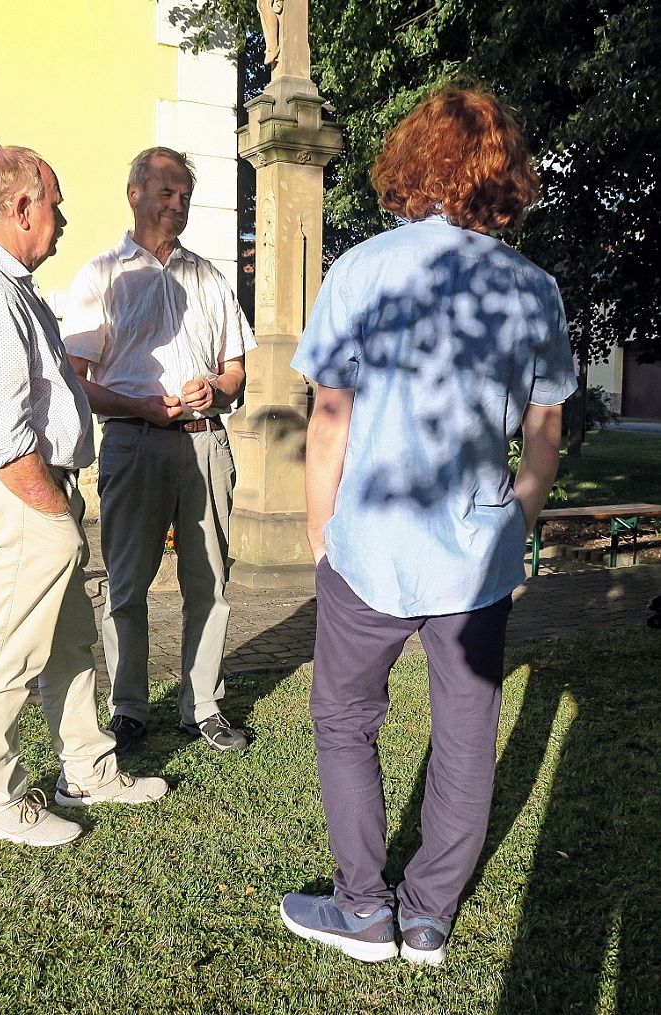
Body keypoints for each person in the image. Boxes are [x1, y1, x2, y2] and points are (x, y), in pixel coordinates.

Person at [279, 89, 577, 963]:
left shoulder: (362, 268)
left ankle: (362, 909)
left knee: (344, 719)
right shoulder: (532, 289)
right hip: (475, 550)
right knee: (465, 734)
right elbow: (545, 428)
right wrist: (519, 516)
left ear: (413, 163)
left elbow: (328, 413)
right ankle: (427, 916)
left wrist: (319, 530)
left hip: (369, 538)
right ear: (504, 175)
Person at [0, 146, 167, 848]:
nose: (63, 218)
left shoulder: (3, 281)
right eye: (55, 203)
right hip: (13, 485)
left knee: (67, 642)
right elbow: (0, 428)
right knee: (7, 652)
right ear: (22, 206)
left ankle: (85, 768)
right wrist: (51, 510)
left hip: (29, 482)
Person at [61, 147, 257, 753]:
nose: (178, 205)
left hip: (206, 444)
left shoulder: (209, 277)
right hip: (134, 441)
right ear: (135, 194)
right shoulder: (102, 276)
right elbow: (75, 379)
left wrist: (217, 389)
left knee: (210, 582)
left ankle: (204, 706)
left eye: (185, 197)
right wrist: (140, 405)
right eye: (167, 193)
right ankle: (128, 708)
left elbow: (236, 371)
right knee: (127, 585)